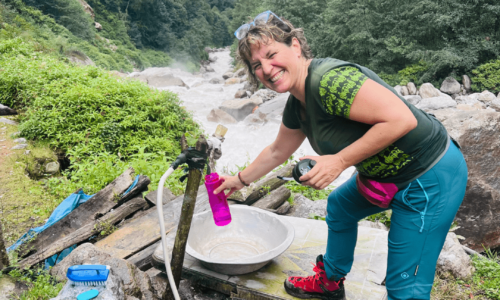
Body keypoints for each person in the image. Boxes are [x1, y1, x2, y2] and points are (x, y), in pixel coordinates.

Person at [214, 10, 468, 300]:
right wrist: (238, 180)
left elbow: (402, 119)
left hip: (428, 176)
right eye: (257, 65)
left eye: (272, 54)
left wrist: (339, 161)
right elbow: (277, 150)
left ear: (295, 46)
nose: (267, 68)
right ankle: (330, 283)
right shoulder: (298, 102)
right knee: (340, 206)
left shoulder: (328, 80)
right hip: (386, 176)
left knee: (405, 289)